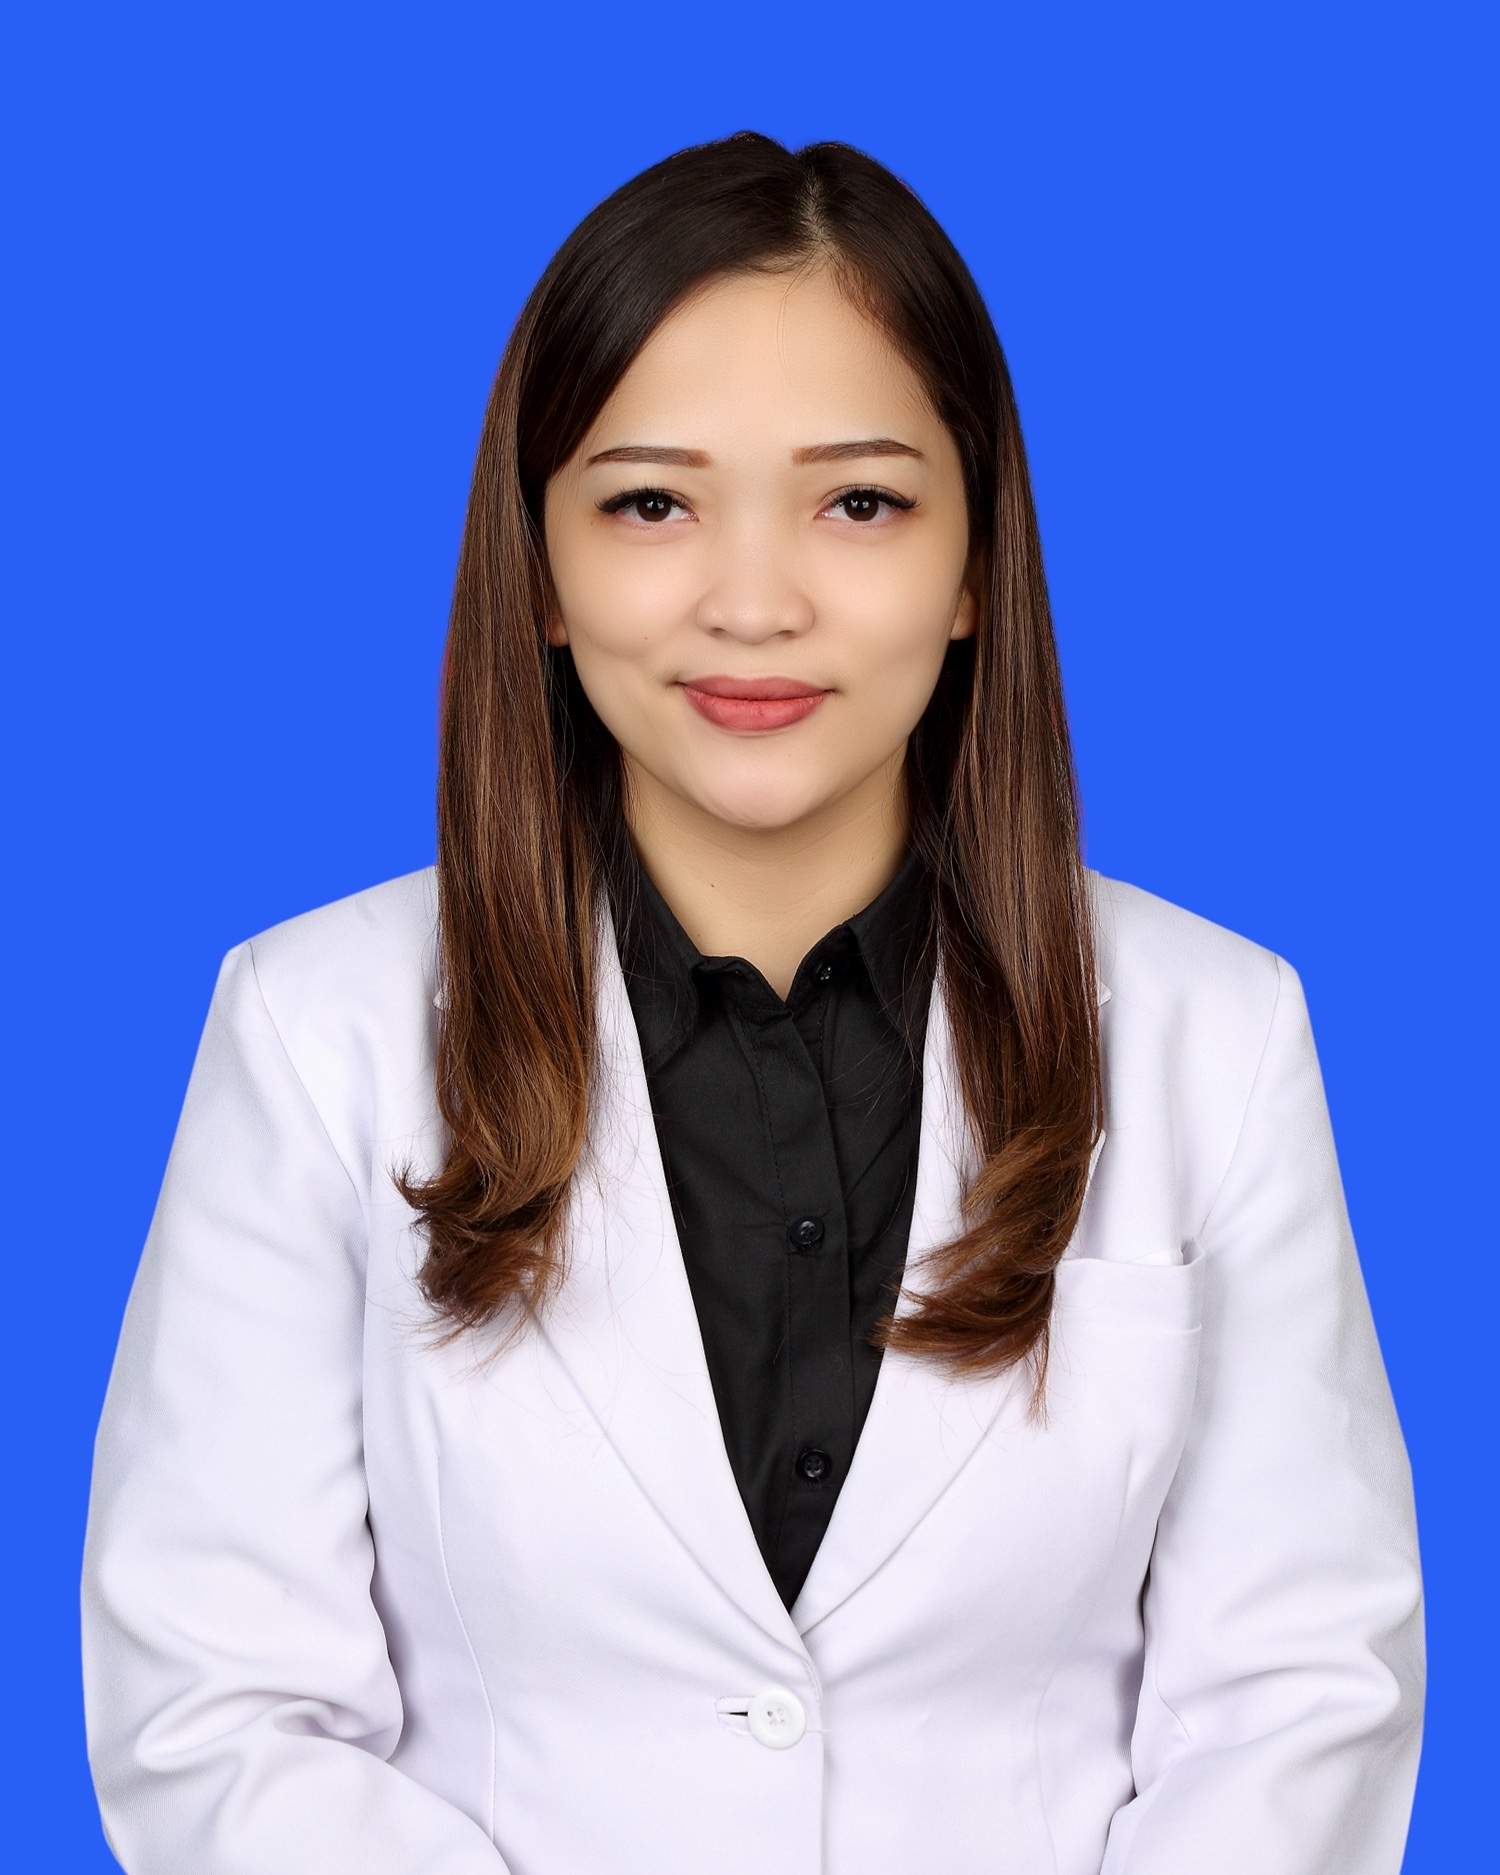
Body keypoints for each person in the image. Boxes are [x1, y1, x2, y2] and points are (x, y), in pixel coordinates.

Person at [82, 133, 1423, 1875]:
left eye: (860, 502)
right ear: (540, 566)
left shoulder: (1215, 1035)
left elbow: (1299, 1698)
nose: (756, 603)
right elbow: (216, 1710)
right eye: (651, 503)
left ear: (975, 563)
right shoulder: (311, 1030)